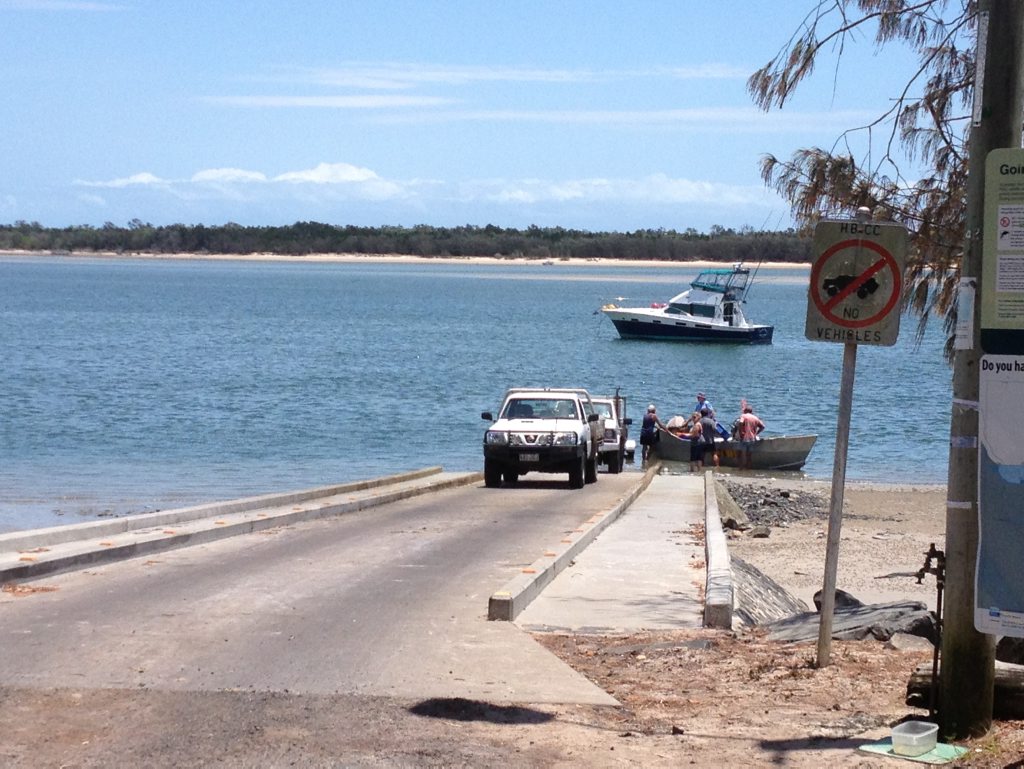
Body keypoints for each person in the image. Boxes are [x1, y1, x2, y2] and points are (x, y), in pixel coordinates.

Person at [734, 404, 766, 470]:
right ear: (751, 411)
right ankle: (748, 469)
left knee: (740, 454)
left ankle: (741, 469)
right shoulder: (755, 418)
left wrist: (741, 433)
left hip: (744, 438)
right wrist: (756, 433)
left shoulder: (743, 416)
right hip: (752, 439)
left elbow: (740, 423)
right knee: (749, 456)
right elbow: (763, 426)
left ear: (745, 411)